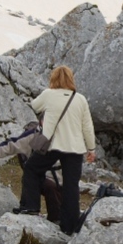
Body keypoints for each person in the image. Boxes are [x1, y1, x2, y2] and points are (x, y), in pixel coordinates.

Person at [25, 65, 96, 235]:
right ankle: (69, 226)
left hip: (53, 146)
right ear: (71, 79)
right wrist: (91, 149)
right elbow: (87, 126)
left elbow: (34, 106)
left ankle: (31, 207)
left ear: (54, 78)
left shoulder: (48, 94)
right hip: (75, 148)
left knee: (32, 169)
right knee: (71, 187)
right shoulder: (80, 99)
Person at [0, 120, 63, 223]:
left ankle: (58, 219)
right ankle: (31, 209)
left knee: (54, 190)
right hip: (43, 179)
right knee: (43, 182)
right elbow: (11, 145)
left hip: (63, 182)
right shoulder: (32, 136)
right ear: (41, 123)